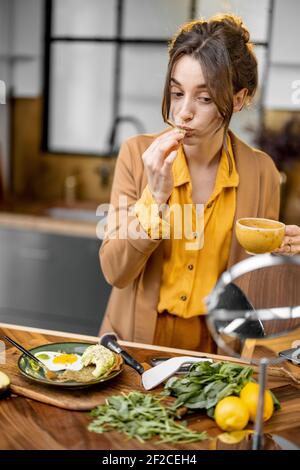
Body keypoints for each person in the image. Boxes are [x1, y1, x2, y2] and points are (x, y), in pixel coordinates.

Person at [99, 14, 300, 352]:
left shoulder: (262, 172)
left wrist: (282, 262)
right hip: (136, 345)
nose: (183, 113)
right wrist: (156, 196)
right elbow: (115, 271)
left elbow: (258, 297)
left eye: (204, 99)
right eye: (177, 93)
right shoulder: (137, 155)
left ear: (238, 99)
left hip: (217, 350)